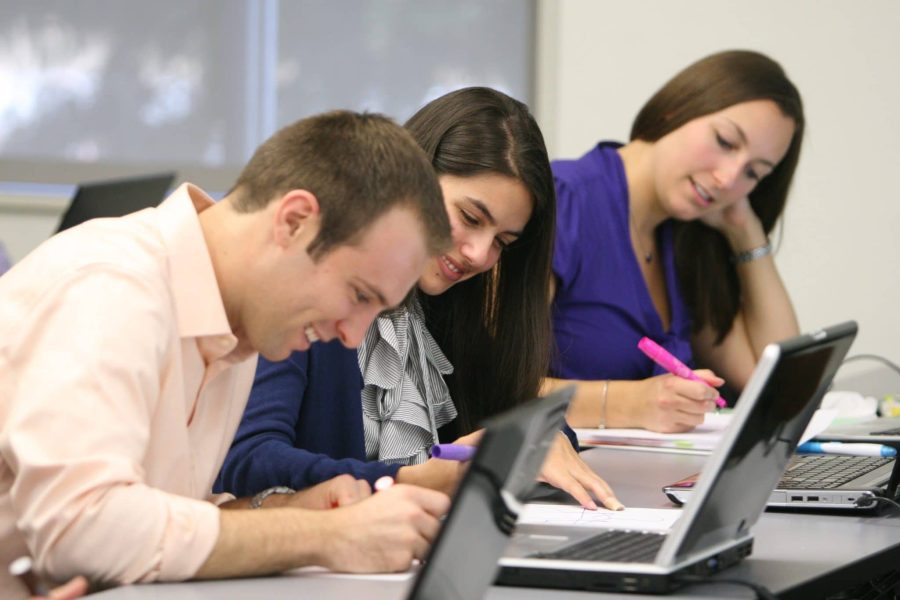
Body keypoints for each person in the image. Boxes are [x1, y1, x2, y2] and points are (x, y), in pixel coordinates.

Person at [0, 110, 454, 599]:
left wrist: (292, 511)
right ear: (295, 222)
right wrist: (326, 537)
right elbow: (81, 528)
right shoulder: (114, 286)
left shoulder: (235, 325)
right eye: (360, 294)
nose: (351, 335)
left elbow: (166, 515)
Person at [216, 87, 622, 511]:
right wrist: (406, 480)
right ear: (416, 180)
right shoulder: (313, 285)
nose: (479, 255)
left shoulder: (446, 301)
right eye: (469, 217)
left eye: (502, 241)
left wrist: (541, 439)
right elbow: (247, 459)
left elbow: (509, 407)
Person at [543, 50, 804, 434]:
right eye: (725, 141)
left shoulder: (685, 233)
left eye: (754, 173)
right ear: (675, 110)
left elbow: (779, 385)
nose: (728, 179)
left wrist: (744, 229)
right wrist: (627, 404)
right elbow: (490, 387)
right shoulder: (563, 201)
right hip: (555, 486)